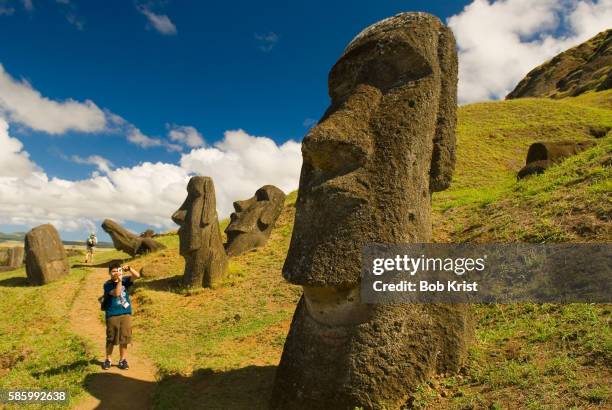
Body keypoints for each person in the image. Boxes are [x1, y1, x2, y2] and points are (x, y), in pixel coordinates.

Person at [101, 261, 140, 370]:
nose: (116, 273)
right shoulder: (107, 285)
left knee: (124, 337)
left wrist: (130, 268)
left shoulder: (125, 280)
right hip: (112, 314)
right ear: (110, 273)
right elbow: (117, 293)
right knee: (111, 338)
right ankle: (108, 359)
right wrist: (119, 281)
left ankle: (122, 360)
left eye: (118, 270)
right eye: (113, 271)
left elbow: (137, 276)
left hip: (125, 313)